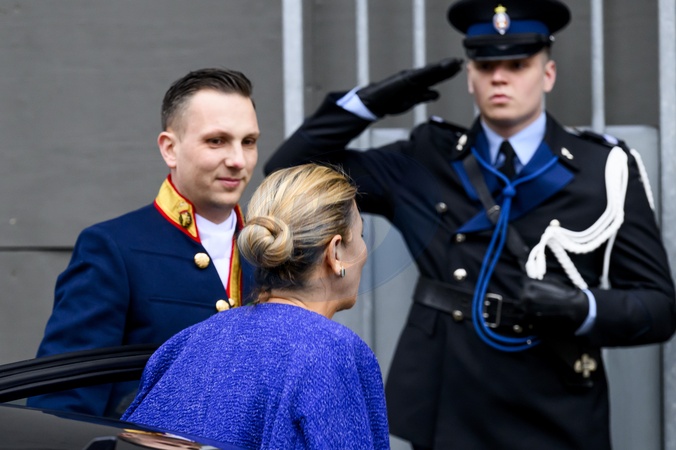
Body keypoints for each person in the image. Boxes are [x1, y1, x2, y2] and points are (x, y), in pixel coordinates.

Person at [264, 0, 676, 449]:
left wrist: (584, 308)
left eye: (517, 64)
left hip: (557, 403)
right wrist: (367, 104)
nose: (499, 77)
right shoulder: (428, 158)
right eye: (485, 65)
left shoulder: (604, 169)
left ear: (548, 73)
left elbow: (659, 308)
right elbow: (289, 171)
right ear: (470, 76)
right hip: (452, 405)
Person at [28, 68, 260, 418]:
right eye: (216, 141)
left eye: (249, 142)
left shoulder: (269, 253)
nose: (238, 160)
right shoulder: (113, 248)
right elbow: (63, 404)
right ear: (170, 148)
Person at [122, 163, 390, 450]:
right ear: (335, 252)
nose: (363, 250)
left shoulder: (185, 342)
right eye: (361, 236)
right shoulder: (335, 352)